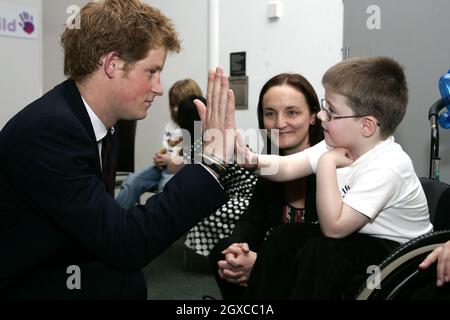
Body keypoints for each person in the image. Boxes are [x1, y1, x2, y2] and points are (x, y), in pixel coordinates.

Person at [0, 0, 235, 299]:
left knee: (124, 282)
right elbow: (126, 244)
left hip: (55, 260)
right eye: (152, 72)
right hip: (19, 279)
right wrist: (210, 163)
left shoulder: (95, 123)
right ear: (113, 65)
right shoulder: (50, 130)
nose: (159, 88)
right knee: (123, 282)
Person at [235, 56, 433, 299]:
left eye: (331, 111)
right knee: (283, 237)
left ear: (367, 126)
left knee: (321, 253)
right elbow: (287, 167)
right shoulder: (336, 143)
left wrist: (327, 164)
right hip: (359, 240)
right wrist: (250, 160)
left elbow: (334, 228)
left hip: (400, 254)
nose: (320, 116)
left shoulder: (388, 165)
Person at [208, 73, 324, 299]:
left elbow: (324, 247)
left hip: (319, 270)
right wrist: (237, 251)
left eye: (292, 112)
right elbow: (253, 219)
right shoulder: (269, 164)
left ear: (312, 116)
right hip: (282, 262)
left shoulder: (332, 162)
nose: (280, 123)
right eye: (270, 113)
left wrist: (262, 265)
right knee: (223, 253)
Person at [115, 79, 203, 209]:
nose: (175, 108)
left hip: (181, 171)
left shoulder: (198, 127)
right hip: (164, 168)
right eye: (172, 104)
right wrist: (161, 157)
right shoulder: (171, 126)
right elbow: (168, 148)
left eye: (179, 104)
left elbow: (196, 159)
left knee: (167, 186)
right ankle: (115, 220)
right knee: (132, 181)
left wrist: (172, 160)